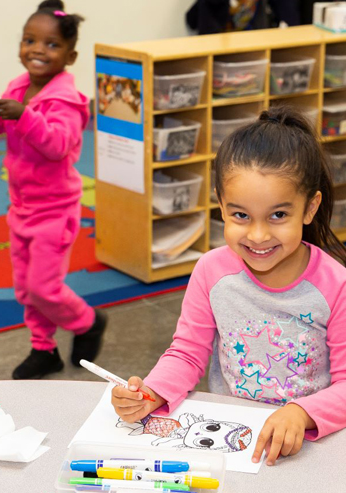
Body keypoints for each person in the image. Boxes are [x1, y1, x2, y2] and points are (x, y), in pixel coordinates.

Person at [112, 106, 346, 466]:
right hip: (232, 440)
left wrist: (301, 413)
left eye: (278, 216)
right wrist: (152, 391)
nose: (258, 235)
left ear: (310, 208)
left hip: (311, 445)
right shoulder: (211, 270)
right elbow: (187, 353)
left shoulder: (336, 284)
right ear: (221, 205)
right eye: (240, 216)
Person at [0, 0, 107, 379]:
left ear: (70, 56)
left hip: (55, 210)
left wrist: (24, 115)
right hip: (21, 207)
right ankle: (44, 349)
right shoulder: (18, 86)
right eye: (30, 40)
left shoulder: (68, 102)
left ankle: (88, 322)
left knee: (44, 287)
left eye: (51, 44)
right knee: (25, 290)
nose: (38, 50)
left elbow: (58, 144)